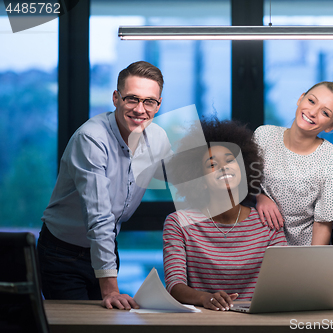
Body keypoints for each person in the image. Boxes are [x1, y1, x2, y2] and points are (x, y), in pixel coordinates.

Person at [37, 61, 172, 309]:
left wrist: (257, 197)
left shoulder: (158, 138)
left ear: (158, 105)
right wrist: (110, 290)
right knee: (78, 327)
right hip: (62, 254)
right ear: (115, 98)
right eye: (132, 99)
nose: (140, 109)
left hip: (108, 247)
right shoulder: (91, 138)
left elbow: (192, 181)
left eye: (149, 101)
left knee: (108, 322)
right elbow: (99, 216)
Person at [163, 119, 286, 311]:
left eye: (231, 160)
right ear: (201, 180)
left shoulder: (267, 223)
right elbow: (174, 286)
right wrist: (205, 298)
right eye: (212, 164)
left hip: (257, 321)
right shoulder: (178, 223)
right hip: (201, 321)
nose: (224, 167)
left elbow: (284, 282)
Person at [253, 79, 333, 245]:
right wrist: (259, 196)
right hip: (253, 249)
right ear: (300, 98)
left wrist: (311, 267)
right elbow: (241, 186)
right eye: (311, 101)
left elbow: (323, 223)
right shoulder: (263, 136)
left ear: (332, 126)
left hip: (300, 255)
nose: (313, 112)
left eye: (325, 113)